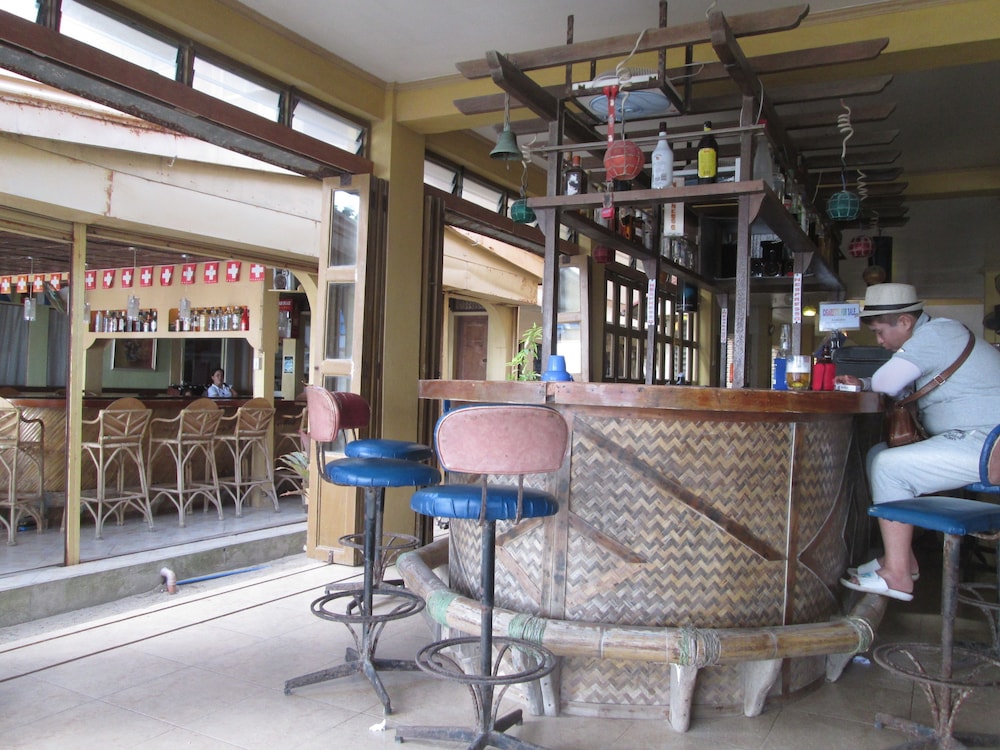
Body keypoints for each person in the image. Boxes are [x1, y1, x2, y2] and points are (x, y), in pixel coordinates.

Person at [836, 283, 1000, 601]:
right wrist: (863, 383)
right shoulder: (932, 338)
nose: (879, 341)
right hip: (976, 441)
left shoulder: (938, 334)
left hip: (988, 444)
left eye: (880, 332)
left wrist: (873, 382)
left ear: (905, 322)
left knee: (888, 466)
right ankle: (902, 560)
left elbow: (887, 382)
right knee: (877, 455)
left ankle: (897, 576)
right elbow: (895, 385)